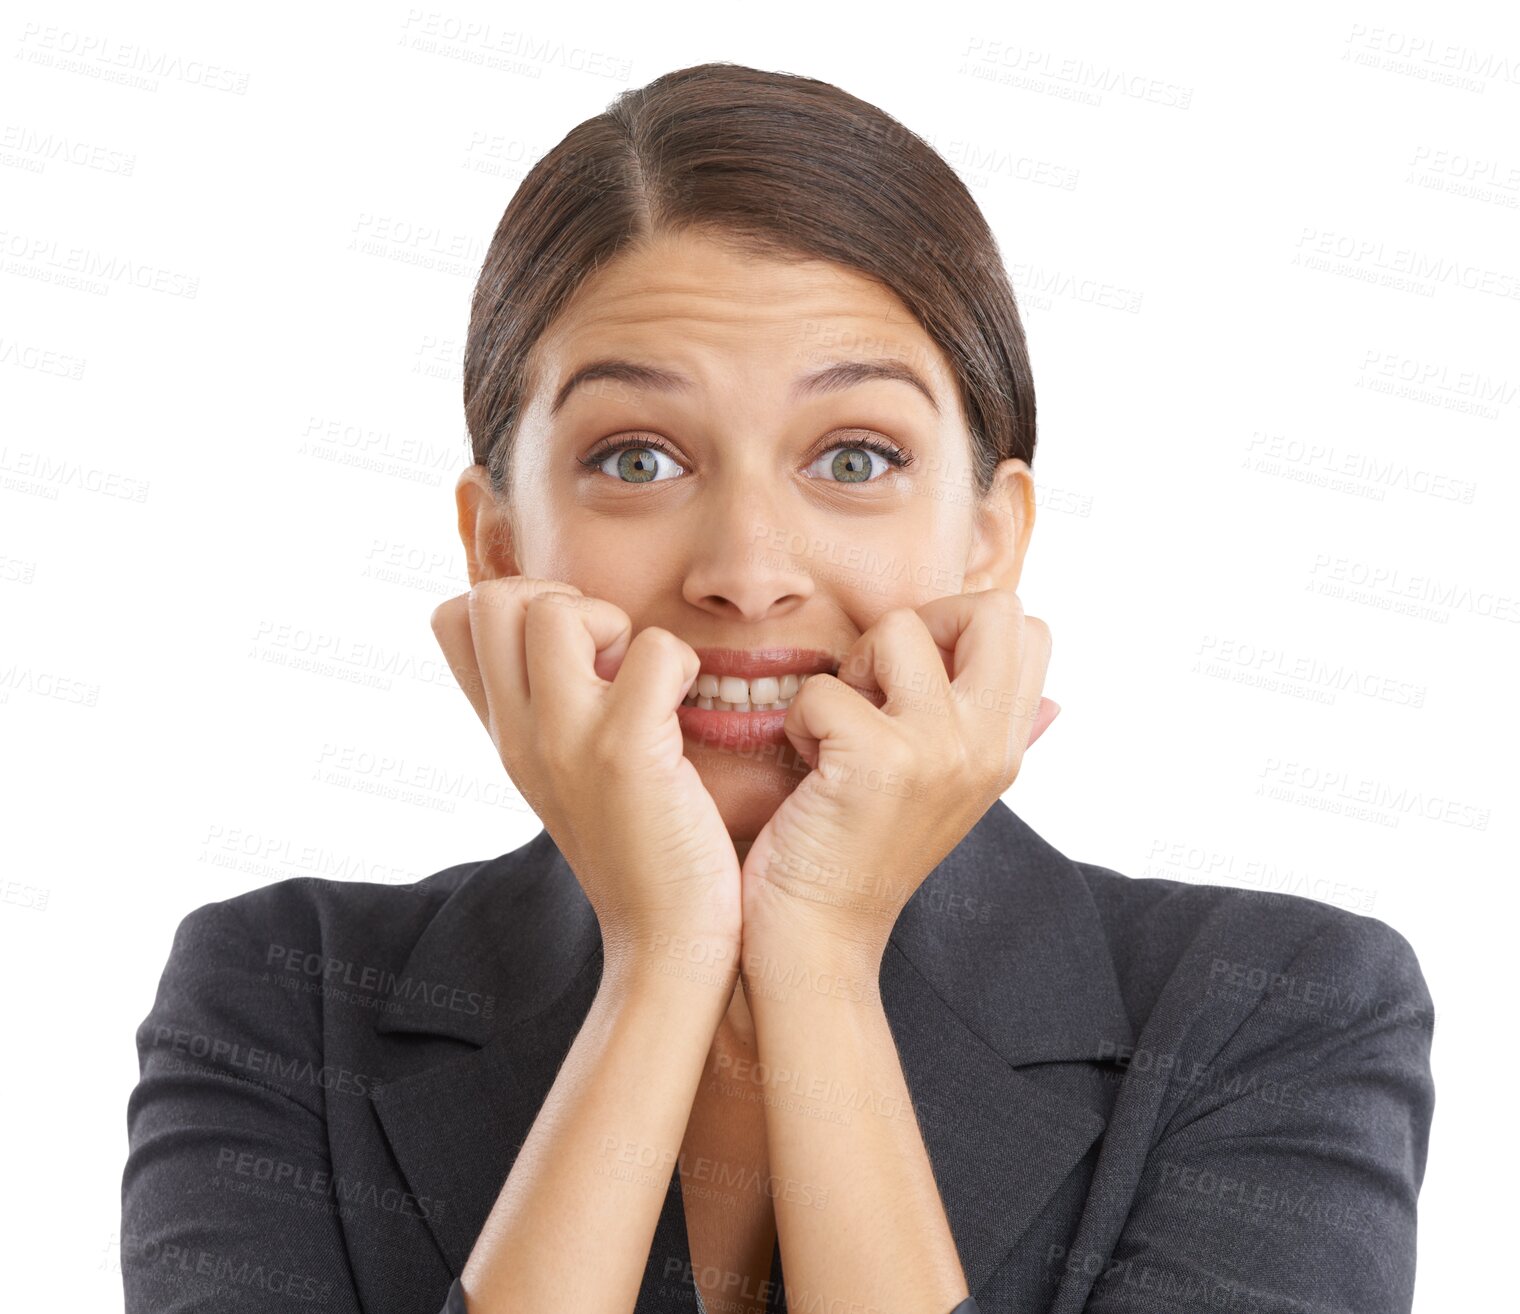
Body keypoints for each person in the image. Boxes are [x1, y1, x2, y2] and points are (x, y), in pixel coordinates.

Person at [121, 62, 1435, 1314]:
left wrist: (820, 952)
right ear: (499, 546)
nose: (748, 573)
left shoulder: (1278, 1010)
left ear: (990, 538)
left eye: (854, 458)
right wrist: (660, 959)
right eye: (637, 459)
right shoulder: (278, 996)